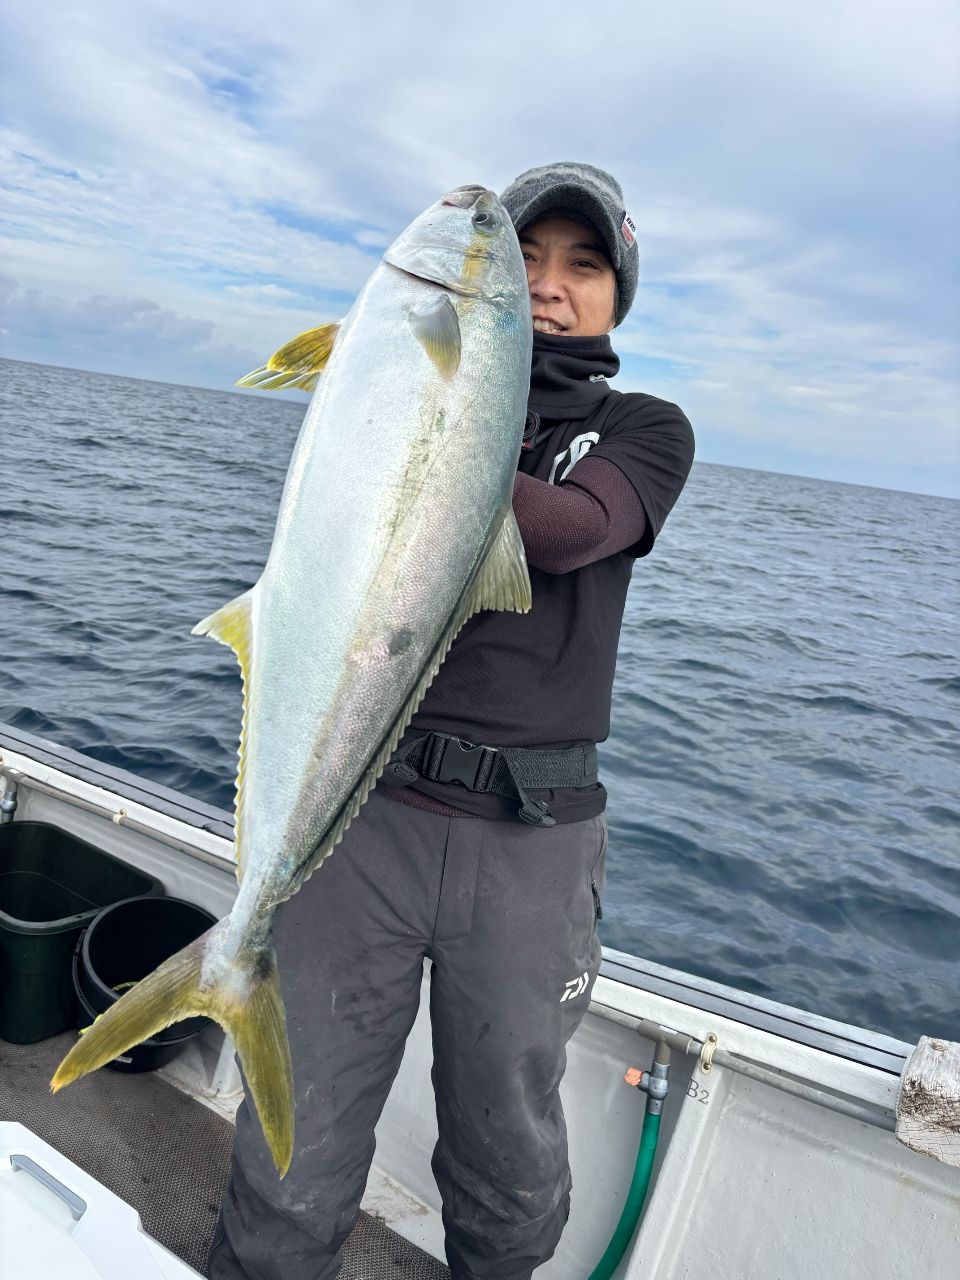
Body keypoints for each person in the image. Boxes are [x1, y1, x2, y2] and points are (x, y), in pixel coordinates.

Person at [209, 161, 694, 1280]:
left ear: (619, 293)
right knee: (303, 1122)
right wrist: (379, 374)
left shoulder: (645, 429)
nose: (549, 282)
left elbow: (571, 532)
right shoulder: (405, 383)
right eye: (524, 260)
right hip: (364, 816)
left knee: (507, 1146)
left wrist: (424, 410)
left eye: (583, 264)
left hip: (533, 840)